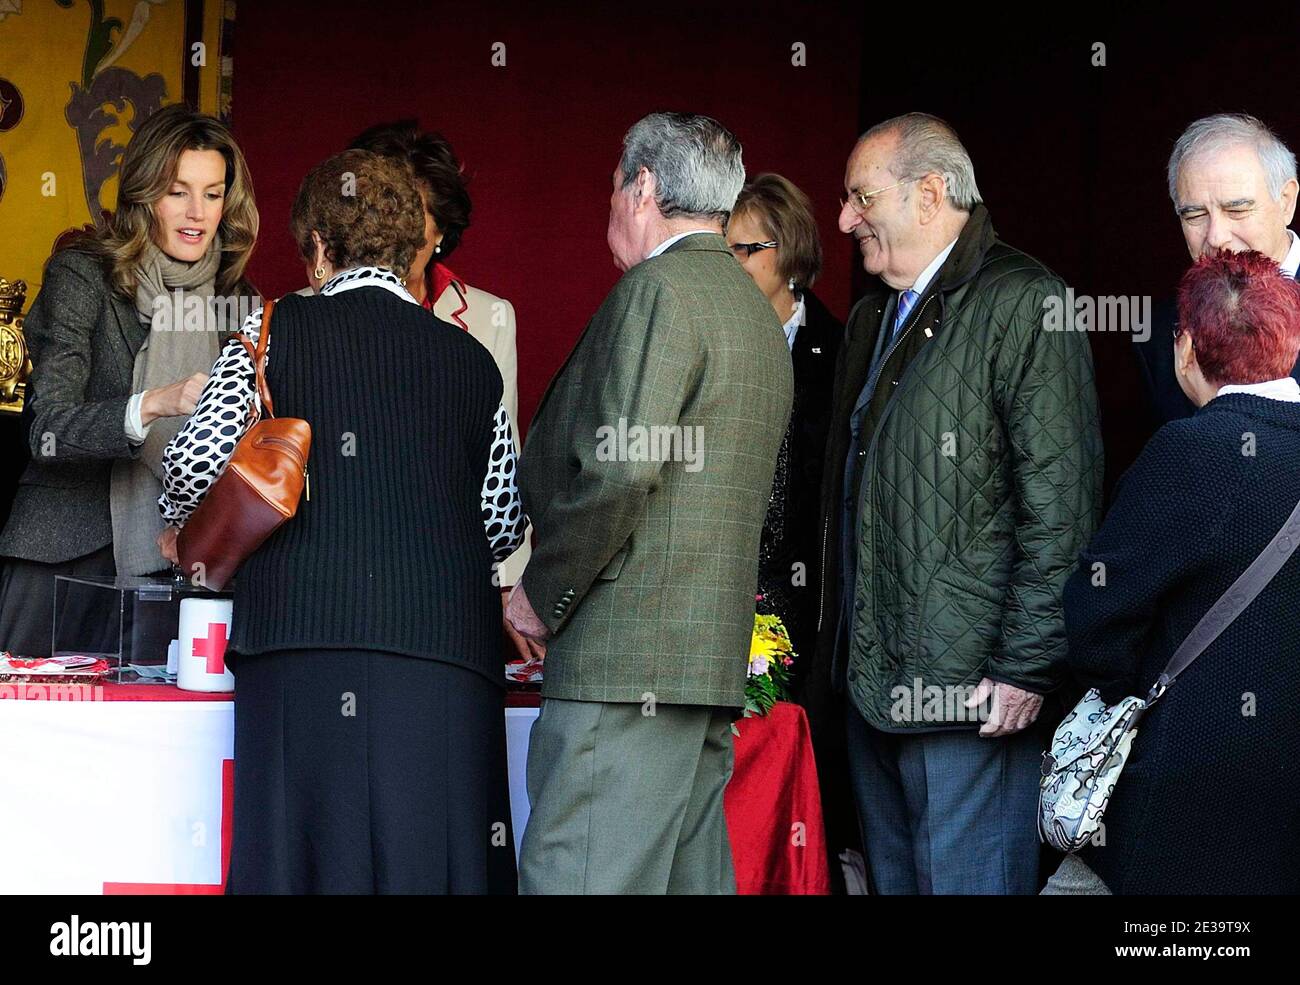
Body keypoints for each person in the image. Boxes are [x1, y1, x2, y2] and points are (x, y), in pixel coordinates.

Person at [158, 149, 527, 894]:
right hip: (443, 660)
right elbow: (502, 522)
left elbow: (193, 464)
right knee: (438, 868)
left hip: (301, 645)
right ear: (406, 248)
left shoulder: (272, 331)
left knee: (298, 865)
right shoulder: (470, 362)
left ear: (319, 248)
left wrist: (177, 525)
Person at [815, 112, 1103, 894]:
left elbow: (1061, 504)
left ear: (931, 192)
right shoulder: (877, 314)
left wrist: (1025, 666)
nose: (843, 219)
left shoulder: (1026, 301)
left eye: (859, 196)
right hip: (874, 689)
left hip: (972, 696)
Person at [506, 112, 793, 894]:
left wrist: (542, 593)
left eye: (613, 184)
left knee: (580, 877)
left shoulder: (658, 290)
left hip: (624, 659)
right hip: (700, 662)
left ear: (641, 186)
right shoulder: (754, 310)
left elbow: (623, 473)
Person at [1050, 249, 1300, 895]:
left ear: (1185, 346)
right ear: (1292, 341)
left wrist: (1126, 686)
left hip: (1186, 786)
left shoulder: (1191, 450)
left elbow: (1096, 612)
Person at [0, 104, 258, 657]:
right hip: (64, 551)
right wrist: (149, 405)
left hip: (183, 568)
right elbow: (46, 427)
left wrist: (204, 532)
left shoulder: (241, 303)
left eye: (212, 194)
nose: (196, 213)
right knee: (27, 735)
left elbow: (255, 457)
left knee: (157, 737)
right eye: (178, 191)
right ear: (144, 194)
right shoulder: (83, 274)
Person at [725, 172, 856, 889]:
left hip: (807, 608)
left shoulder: (840, 355)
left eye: (746, 249)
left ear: (793, 256)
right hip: (717, 600)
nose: (732, 265)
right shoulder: (707, 340)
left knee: (796, 793)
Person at [1135, 113, 1300, 424]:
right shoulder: (1157, 334)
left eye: (1236, 209)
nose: (1216, 237)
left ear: (1287, 201)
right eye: (1195, 215)